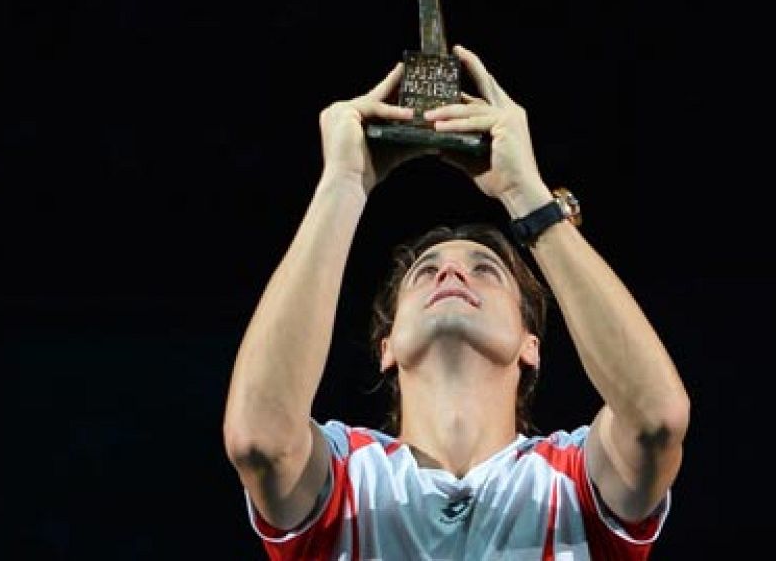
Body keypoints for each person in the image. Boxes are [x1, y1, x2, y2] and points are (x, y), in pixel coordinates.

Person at [223, 45, 690, 559]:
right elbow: (259, 439)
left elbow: (656, 419)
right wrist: (343, 184)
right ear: (387, 346)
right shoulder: (347, 477)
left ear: (529, 345)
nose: (450, 271)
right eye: (426, 272)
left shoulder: (572, 480)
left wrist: (525, 193)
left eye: (485, 270)